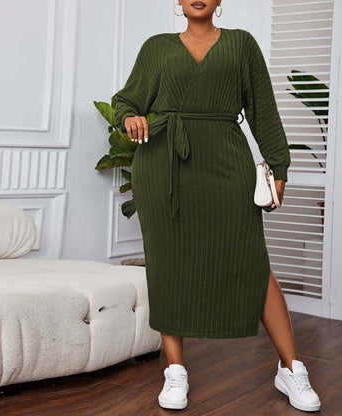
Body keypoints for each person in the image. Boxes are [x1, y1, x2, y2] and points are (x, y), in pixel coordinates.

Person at [112, 0, 321, 412]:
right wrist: (129, 118)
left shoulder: (241, 44)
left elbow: (263, 109)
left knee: (252, 262)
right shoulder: (156, 47)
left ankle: (291, 368)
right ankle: (175, 371)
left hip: (226, 161)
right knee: (168, 264)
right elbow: (126, 102)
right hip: (163, 166)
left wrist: (278, 164)